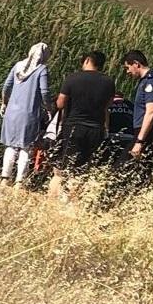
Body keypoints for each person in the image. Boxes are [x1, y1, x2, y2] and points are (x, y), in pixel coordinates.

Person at [48, 51, 116, 200]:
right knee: (81, 169)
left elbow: (60, 103)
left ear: (87, 61)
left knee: (60, 169)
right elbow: (108, 106)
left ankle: (52, 203)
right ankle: (72, 204)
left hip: (73, 127)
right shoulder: (109, 82)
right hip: (95, 129)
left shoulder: (72, 79)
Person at [117, 50, 153, 189]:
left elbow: (151, 112)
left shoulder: (151, 81)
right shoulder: (149, 81)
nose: (127, 72)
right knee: (140, 172)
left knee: (120, 170)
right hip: (146, 132)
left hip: (147, 133)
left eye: (127, 68)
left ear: (136, 64)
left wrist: (140, 141)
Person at [0, 42, 52, 188]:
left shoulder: (18, 66)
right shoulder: (42, 69)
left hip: (11, 112)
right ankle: (19, 181)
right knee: (26, 147)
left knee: (10, 145)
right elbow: (45, 92)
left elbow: (6, 86)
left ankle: (5, 177)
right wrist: (49, 109)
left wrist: (4, 103)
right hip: (29, 113)